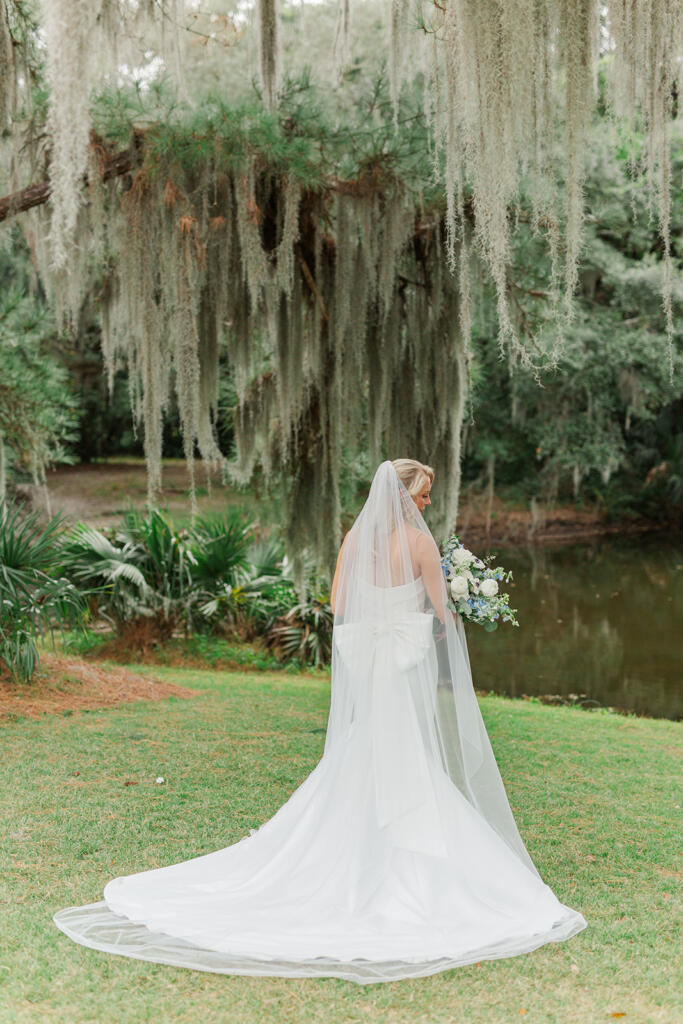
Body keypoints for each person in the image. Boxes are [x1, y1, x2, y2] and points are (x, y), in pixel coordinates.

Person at [53, 459, 586, 984]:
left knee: (365, 748)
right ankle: (406, 852)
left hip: (372, 658)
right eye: (422, 494)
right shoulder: (422, 546)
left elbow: (338, 602)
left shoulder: (355, 541)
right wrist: (450, 601)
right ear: (403, 497)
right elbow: (439, 609)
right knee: (403, 749)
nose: (427, 503)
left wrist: (381, 611)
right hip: (400, 664)